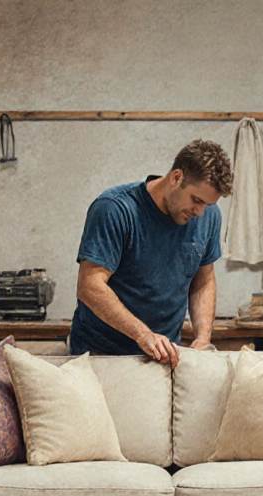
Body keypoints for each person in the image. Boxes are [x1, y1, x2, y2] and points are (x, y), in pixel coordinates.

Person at [68, 140, 233, 366]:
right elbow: (90, 286)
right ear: (176, 177)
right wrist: (143, 335)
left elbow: (203, 281)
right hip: (101, 354)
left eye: (207, 204)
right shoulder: (115, 209)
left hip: (162, 356)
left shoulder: (208, 216)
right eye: (196, 200)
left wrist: (202, 340)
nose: (200, 212)